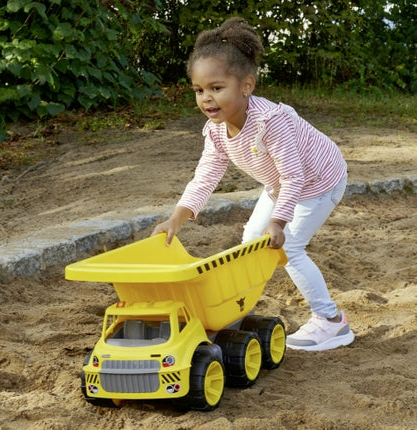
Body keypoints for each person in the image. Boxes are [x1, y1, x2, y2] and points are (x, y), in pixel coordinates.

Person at [152, 17, 354, 351]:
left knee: (287, 246)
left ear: (247, 85)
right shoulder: (216, 131)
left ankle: (332, 323)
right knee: (249, 242)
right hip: (282, 184)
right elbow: (205, 177)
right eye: (199, 90)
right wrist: (176, 218)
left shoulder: (270, 123)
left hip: (319, 182)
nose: (207, 98)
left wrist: (278, 222)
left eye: (217, 88)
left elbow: (295, 176)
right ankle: (240, 309)